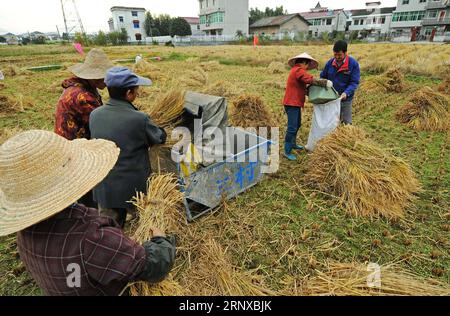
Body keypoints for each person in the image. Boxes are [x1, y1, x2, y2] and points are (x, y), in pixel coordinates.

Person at [0, 130, 176, 296]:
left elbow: (74, 275)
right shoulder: (93, 237)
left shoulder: (24, 234)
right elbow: (153, 266)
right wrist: (160, 241)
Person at [90, 67, 167, 228]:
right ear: (129, 94)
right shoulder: (139, 119)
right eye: (136, 90)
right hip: (133, 189)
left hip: (103, 186)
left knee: (109, 230)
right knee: (145, 223)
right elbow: (159, 137)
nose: (138, 93)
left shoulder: (95, 114)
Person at [54, 48, 114, 208]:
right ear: (94, 78)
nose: (107, 81)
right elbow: (101, 123)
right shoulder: (82, 97)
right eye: (104, 77)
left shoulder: (84, 88)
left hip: (72, 145)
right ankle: (90, 218)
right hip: (74, 150)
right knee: (85, 187)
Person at [283, 53, 330, 161]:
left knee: (297, 124)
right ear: (303, 63)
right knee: (292, 127)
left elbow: (302, 85)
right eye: (307, 65)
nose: (307, 68)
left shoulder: (296, 71)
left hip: (295, 102)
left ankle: (293, 143)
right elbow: (308, 79)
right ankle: (287, 150)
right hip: (292, 103)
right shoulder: (298, 70)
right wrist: (322, 82)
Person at [320, 40, 361, 125]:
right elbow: (323, 76)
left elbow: (354, 82)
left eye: (339, 55)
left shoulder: (353, 64)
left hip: (345, 98)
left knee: (346, 123)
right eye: (335, 54)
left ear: (345, 53)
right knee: (330, 122)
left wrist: (346, 93)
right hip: (330, 98)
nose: (337, 57)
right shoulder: (330, 63)